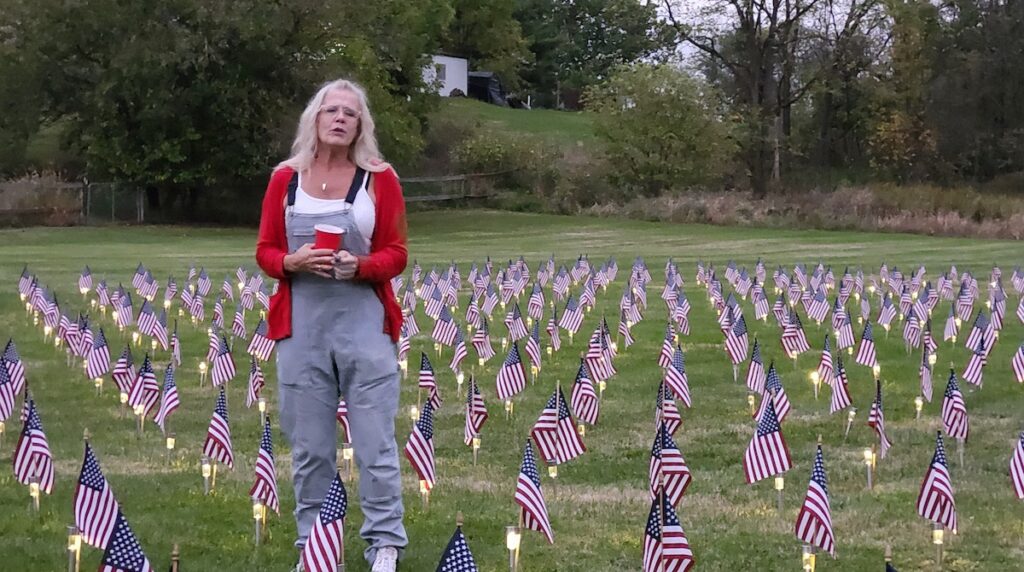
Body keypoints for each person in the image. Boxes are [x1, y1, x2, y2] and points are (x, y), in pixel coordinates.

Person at [255, 78, 408, 572]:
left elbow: (397, 253)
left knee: (375, 444)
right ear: (314, 120)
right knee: (310, 448)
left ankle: (384, 542)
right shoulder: (285, 179)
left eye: (351, 113)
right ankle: (315, 544)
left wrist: (358, 266)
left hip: (364, 325)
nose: (340, 118)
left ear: (361, 125)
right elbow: (264, 251)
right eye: (331, 111)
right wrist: (292, 261)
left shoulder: (380, 178)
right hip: (303, 328)